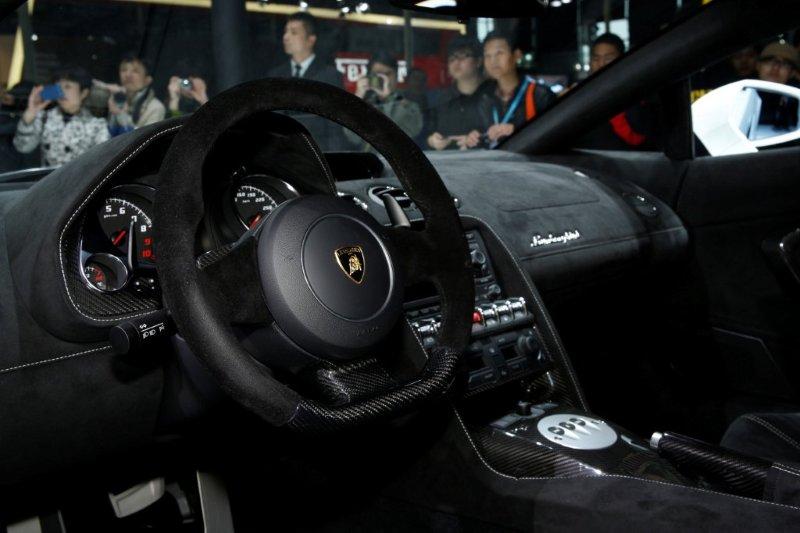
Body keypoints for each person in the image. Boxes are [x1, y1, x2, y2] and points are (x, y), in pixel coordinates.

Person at [13, 67, 110, 167]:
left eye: (67, 86)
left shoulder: (97, 125)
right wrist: (30, 113)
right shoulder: (44, 117)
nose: (61, 91)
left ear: (84, 93)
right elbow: (23, 147)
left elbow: (102, 161)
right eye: (58, 87)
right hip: (50, 176)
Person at [475, 31, 557, 146]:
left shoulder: (540, 95)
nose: (493, 61)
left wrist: (518, 131)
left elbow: (554, 134)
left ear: (517, 55)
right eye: (488, 56)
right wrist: (474, 137)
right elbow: (482, 133)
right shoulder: (485, 98)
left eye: (499, 53)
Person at [576, 33, 655, 150]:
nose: (601, 64)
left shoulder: (632, 92)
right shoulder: (582, 93)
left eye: (608, 58)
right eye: (596, 58)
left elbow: (637, 138)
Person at [346, 52, 423, 151]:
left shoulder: (409, 105)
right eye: (377, 74)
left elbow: (406, 133)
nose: (382, 78)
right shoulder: (364, 104)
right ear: (370, 76)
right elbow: (352, 137)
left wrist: (388, 98)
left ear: (396, 76)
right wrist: (357, 98)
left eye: (387, 74)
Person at [427, 36, 485, 150]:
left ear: (478, 61)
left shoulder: (491, 94)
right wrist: (432, 141)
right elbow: (428, 133)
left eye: (462, 56)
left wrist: (480, 139)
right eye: (452, 58)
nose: (456, 62)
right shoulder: (442, 99)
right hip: (449, 159)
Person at [267, 12, 340, 86]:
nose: (285, 37)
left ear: (311, 39)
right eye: (285, 31)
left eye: (294, 32)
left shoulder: (329, 76)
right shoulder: (275, 75)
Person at [105, 54, 165, 136]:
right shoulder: (116, 97)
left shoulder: (156, 108)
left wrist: (121, 115)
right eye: (124, 70)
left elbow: (144, 140)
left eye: (135, 71)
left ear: (147, 80)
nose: (128, 75)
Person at [755, 41, 799, 129]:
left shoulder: (796, 100)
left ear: (792, 73)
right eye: (769, 61)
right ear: (758, 66)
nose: (775, 68)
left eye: (784, 64)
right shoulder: (740, 93)